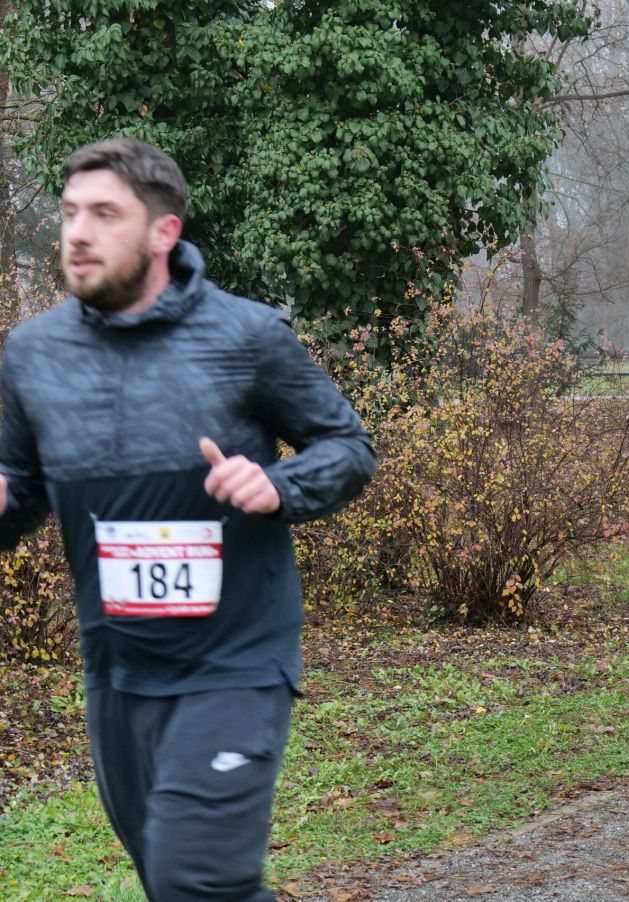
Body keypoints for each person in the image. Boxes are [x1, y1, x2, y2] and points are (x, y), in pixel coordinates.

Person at [0, 138, 376, 900]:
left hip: (234, 663)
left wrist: (279, 484)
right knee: (183, 884)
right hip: (117, 672)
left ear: (162, 234)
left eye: (105, 214)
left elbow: (347, 447)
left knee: (193, 882)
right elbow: (25, 489)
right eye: (71, 212)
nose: (77, 232)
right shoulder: (32, 354)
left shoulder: (246, 337)